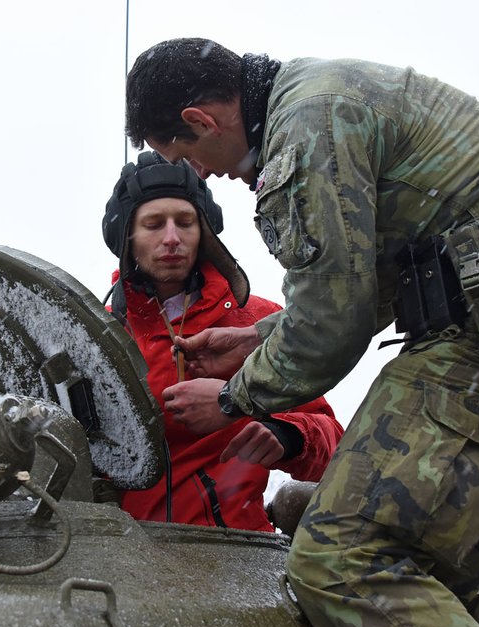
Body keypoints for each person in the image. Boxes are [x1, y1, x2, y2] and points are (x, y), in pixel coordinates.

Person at [123, 37, 479, 627]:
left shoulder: (307, 131)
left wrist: (229, 399)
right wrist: (256, 342)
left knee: (339, 558)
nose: (199, 174)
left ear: (201, 121)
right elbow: (367, 283)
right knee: (431, 579)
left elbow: (333, 324)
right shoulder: (317, 99)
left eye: (185, 155)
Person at [102, 151, 343, 533]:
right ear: (126, 236)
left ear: (205, 233)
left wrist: (286, 434)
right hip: (122, 555)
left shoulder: (257, 323)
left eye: (185, 222)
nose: (171, 238)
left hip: (235, 553)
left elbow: (333, 442)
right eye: (152, 224)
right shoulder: (101, 333)